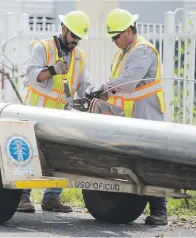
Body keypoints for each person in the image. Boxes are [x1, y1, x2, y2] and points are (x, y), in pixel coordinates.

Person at [86, 8, 167, 226]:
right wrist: (100, 92)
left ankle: (160, 211)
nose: (114, 41)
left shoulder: (143, 50)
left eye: (116, 36)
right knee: (135, 164)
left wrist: (102, 87)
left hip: (146, 115)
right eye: (111, 37)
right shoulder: (124, 51)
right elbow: (118, 86)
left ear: (129, 30)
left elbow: (129, 81)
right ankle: (136, 205)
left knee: (150, 161)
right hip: (131, 117)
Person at [18, 10, 92, 213]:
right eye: (73, 35)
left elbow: (84, 86)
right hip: (37, 113)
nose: (75, 40)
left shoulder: (79, 56)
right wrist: (52, 70)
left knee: (59, 156)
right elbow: (33, 76)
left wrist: (93, 94)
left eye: (79, 37)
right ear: (63, 29)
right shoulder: (43, 47)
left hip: (61, 116)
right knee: (30, 156)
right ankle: (23, 197)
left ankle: (52, 197)